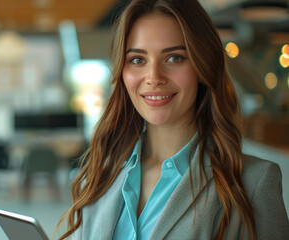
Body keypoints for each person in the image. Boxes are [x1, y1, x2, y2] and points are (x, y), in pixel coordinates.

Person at [55, 0, 289, 239]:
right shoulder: (100, 176)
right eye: (137, 60)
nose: (154, 77)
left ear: (202, 66)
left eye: (174, 58)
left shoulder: (254, 183)